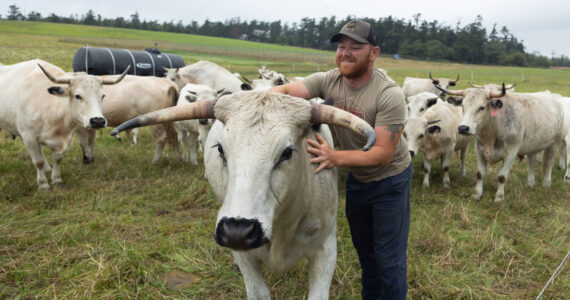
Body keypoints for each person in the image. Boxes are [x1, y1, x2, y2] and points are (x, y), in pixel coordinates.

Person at [270, 19, 412, 300]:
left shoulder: (389, 94)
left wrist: (334, 157)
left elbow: (382, 154)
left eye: (355, 47)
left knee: (388, 257)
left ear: (374, 53)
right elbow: (286, 92)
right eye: (341, 46)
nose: (345, 53)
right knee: (365, 252)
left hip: (389, 181)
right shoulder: (328, 80)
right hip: (357, 179)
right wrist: (256, 103)